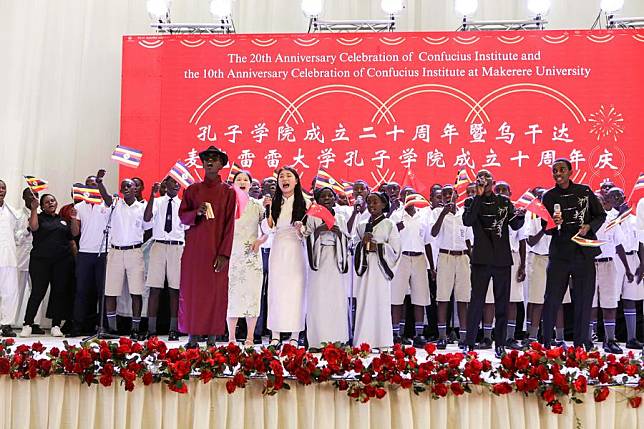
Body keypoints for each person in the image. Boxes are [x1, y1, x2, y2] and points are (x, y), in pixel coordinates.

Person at [540, 159, 606, 350]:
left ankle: (580, 344)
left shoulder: (584, 191)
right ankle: (545, 344)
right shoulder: (549, 196)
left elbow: (600, 215)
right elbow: (546, 229)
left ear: (570, 171)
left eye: (561, 169)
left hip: (583, 253)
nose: (558, 173)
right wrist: (553, 223)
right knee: (552, 299)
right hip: (560, 254)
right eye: (554, 170)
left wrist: (589, 226)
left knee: (584, 300)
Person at [463, 169, 525, 358]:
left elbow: (515, 226)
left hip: (501, 260)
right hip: (481, 259)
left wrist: (520, 216)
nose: (484, 180)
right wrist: (478, 197)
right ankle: (470, 343)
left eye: (487, 177)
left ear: (493, 181)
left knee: (502, 304)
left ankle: (500, 345)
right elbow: (468, 221)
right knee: (476, 302)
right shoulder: (471, 202)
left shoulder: (504, 202)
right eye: (480, 178)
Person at [179, 146, 236, 348]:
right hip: (195, 251)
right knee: (193, 293)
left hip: (216, 250)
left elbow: (230, 226)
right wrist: (197, 212)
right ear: (202, 163)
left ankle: (212, 338)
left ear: (221, 165)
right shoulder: (193, 190)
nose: (210, 162)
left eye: (214, 159)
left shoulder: (228, 192)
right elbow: (182, 216)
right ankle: (192, 337)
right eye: (206, 159)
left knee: (214, 293)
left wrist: (224, 254)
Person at [96, 171, 147, 340]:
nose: (125, 188)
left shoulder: (142, 207)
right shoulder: (115, 204)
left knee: (136, 292)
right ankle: (112, 328)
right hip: (115, 251)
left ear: (135, 190)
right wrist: (100, 182)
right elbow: (106, 197)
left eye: (129, 186)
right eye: (123, 186)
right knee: (111, 291)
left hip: (134, 251)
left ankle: (135, 328)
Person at [266, 167, 310, 347]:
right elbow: (269, 228)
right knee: (276, 291)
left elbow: (308, 231)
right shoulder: (274, 201)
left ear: (297, 180)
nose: (284, 179)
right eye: (281, 177)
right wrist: (267, 209)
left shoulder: (305, 202)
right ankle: (275, 335)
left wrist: (302, 229)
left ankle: (294, 335)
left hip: (296, 249)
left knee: (296, 292)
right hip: (278, 249)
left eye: (289, 176)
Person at [21, 194, 74, 337]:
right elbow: (33, 227)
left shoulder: (62, 220)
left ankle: (56, 325)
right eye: (47, 202)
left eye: (53, 200)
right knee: (38, 292)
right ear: (42, 206)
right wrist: (33, 209)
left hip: (62, 262)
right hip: (40, 261)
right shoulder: (38, 217)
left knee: (59, 292)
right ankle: (27, 324)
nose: (50, 203)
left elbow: (72, 237)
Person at [353, 192, 401, 349]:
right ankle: (363, 341)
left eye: (376, 202)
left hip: (380, 272)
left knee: (380, 304)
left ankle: (383, 341)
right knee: (364, 303)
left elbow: (396, 250)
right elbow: (352, 247)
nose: (372, 205)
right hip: (365, 272)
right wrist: (362, 244)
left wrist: (378, 247)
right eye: (369, 202)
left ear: (383, 205)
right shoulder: (361, 226)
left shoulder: (389, 224)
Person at [304, 187, 350, 349]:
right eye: (323, 196)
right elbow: (307, 237)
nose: (327, 198)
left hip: (336, 259)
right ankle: (317, 340)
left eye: (330, 195)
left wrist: (339, 234)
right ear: (317, 199)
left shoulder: (342, 217)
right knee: (318, 299)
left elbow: (347, 238)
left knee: (336, 300)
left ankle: (337, 338)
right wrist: (318, 231)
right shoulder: (312, 216)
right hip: (319, 260)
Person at [524, 187, 570, 347]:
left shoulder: (560, 217)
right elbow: (530, 241)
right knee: (537, 301)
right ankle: (532, 337)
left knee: (558, 302)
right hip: (538, 259)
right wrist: (545, 228)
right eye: (542, 199)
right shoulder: (533, 216)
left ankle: (559, 338)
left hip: (557, 260)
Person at [143, 176, 187, 341]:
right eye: (172, 182)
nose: (176, 185)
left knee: (175, 290)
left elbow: (187, 227)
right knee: (154, 288)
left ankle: (173, 329)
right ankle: (151, 330)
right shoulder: (158, 201)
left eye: (178, 183)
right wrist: (152, 196)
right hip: (159, 245)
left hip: (177, 246)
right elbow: (147, 219)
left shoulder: (183, 203)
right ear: (165, 185)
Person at [226, 171, 266, 345]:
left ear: (250, 184)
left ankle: (250, 337)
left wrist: (260, 241)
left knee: (252, 295)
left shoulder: (258, 205)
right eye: (238, 180)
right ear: (233, 184)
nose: (242, 182)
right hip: (232, 255)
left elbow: (267, 230)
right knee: (232, 296)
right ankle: (231, 338)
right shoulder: (227, 204)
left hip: (251, 255)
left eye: (246, 180)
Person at [431, 184, 473, 349]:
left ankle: (463, 337)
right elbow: (433, 233)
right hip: (445, 256)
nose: (448, 196)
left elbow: (469, 239)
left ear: (456, 195)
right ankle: (442, 336)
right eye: (444, 195)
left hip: (462, 257)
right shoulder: (436, 213)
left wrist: (472, 260)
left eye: (450, 193)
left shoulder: (464, 213)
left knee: (463, 299)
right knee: (443, 298)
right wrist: (443, 213)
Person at [390, 186, 432, 347]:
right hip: (402, 258)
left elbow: (428, 241)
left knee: (420, 297)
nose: (408, 197)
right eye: (405, 194)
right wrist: (396, 228)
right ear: (401, 198)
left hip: (419, 258)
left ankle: (419, 334)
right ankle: (396, 334)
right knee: (397, 297)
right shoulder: (396, 216)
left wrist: (431, 265)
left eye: (411, 194)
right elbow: (390, 238)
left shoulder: (423, 216)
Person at [69, 179, 110, 337]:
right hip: (85, 252)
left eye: (94, 184)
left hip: (103, 252)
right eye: (89, 184)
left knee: (103, 291)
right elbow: (74, 233)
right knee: (81, 290)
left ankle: (102, 326)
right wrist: (73, 218)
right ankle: (77, 326)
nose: (91, 187)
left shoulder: (106, 204)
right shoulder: (79, 207)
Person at [590, 193, 628, 354]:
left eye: (601, 201)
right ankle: (588, 339)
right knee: (589, 303)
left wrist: (626, 266)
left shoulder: (611, 221)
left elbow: (619, 244)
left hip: (608, 263)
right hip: (589, 265)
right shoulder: (585, 221)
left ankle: (609, 339)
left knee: (610, 303)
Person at [607, 187, 644, 349]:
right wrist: (620, 215)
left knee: (631, 299)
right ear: (608, 200)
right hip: (616, 259)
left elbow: (641, 240)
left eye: (619, 196)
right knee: (613, 300)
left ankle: (632, 338)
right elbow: (615, 240)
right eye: (612, 197)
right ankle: (611, 339)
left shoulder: (634, 218)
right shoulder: (609, 217)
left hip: (633, 257)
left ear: (624, 197)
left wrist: (642, 263)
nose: (617, 199)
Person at [493, 181, 527, 350]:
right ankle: (491, 336)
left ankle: (510, 337)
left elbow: (522, 241)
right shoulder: (490, 209)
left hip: (513, 257)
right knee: (494, 299)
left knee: (513, 300)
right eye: (497, 190)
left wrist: (522, 265)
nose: (500, 192)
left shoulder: (517, 212)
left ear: (510, 192)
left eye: (504, 189)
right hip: (494, 258)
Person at [14, 188, 45, 334]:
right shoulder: (17, 214)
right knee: (17, 291)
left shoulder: (42, 215)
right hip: (21, 258)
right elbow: (16, 237)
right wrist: (28, 228)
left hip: (39, 260)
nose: (34, 197)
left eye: (36, 195)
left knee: (37, 292)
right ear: (23, 197)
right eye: (30, 195)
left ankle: (35, 323)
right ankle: (9, 322)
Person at [254, 176, 278, 342]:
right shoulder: (257, 205)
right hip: (260, 250)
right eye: (268, 183)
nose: (272, 186)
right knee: (258, 292)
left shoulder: (283, 205)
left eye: (274, 183)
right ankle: (256, 331)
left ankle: (273, 331)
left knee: (274, 292)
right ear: (262, 187)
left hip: (277, 250)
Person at [0, 180, 20, 337]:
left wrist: (26, 231)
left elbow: (17, 236)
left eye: (3, 187)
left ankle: (6, 324)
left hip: (8, 258)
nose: (1, 190)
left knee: (10, 292)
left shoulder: (13, 212)